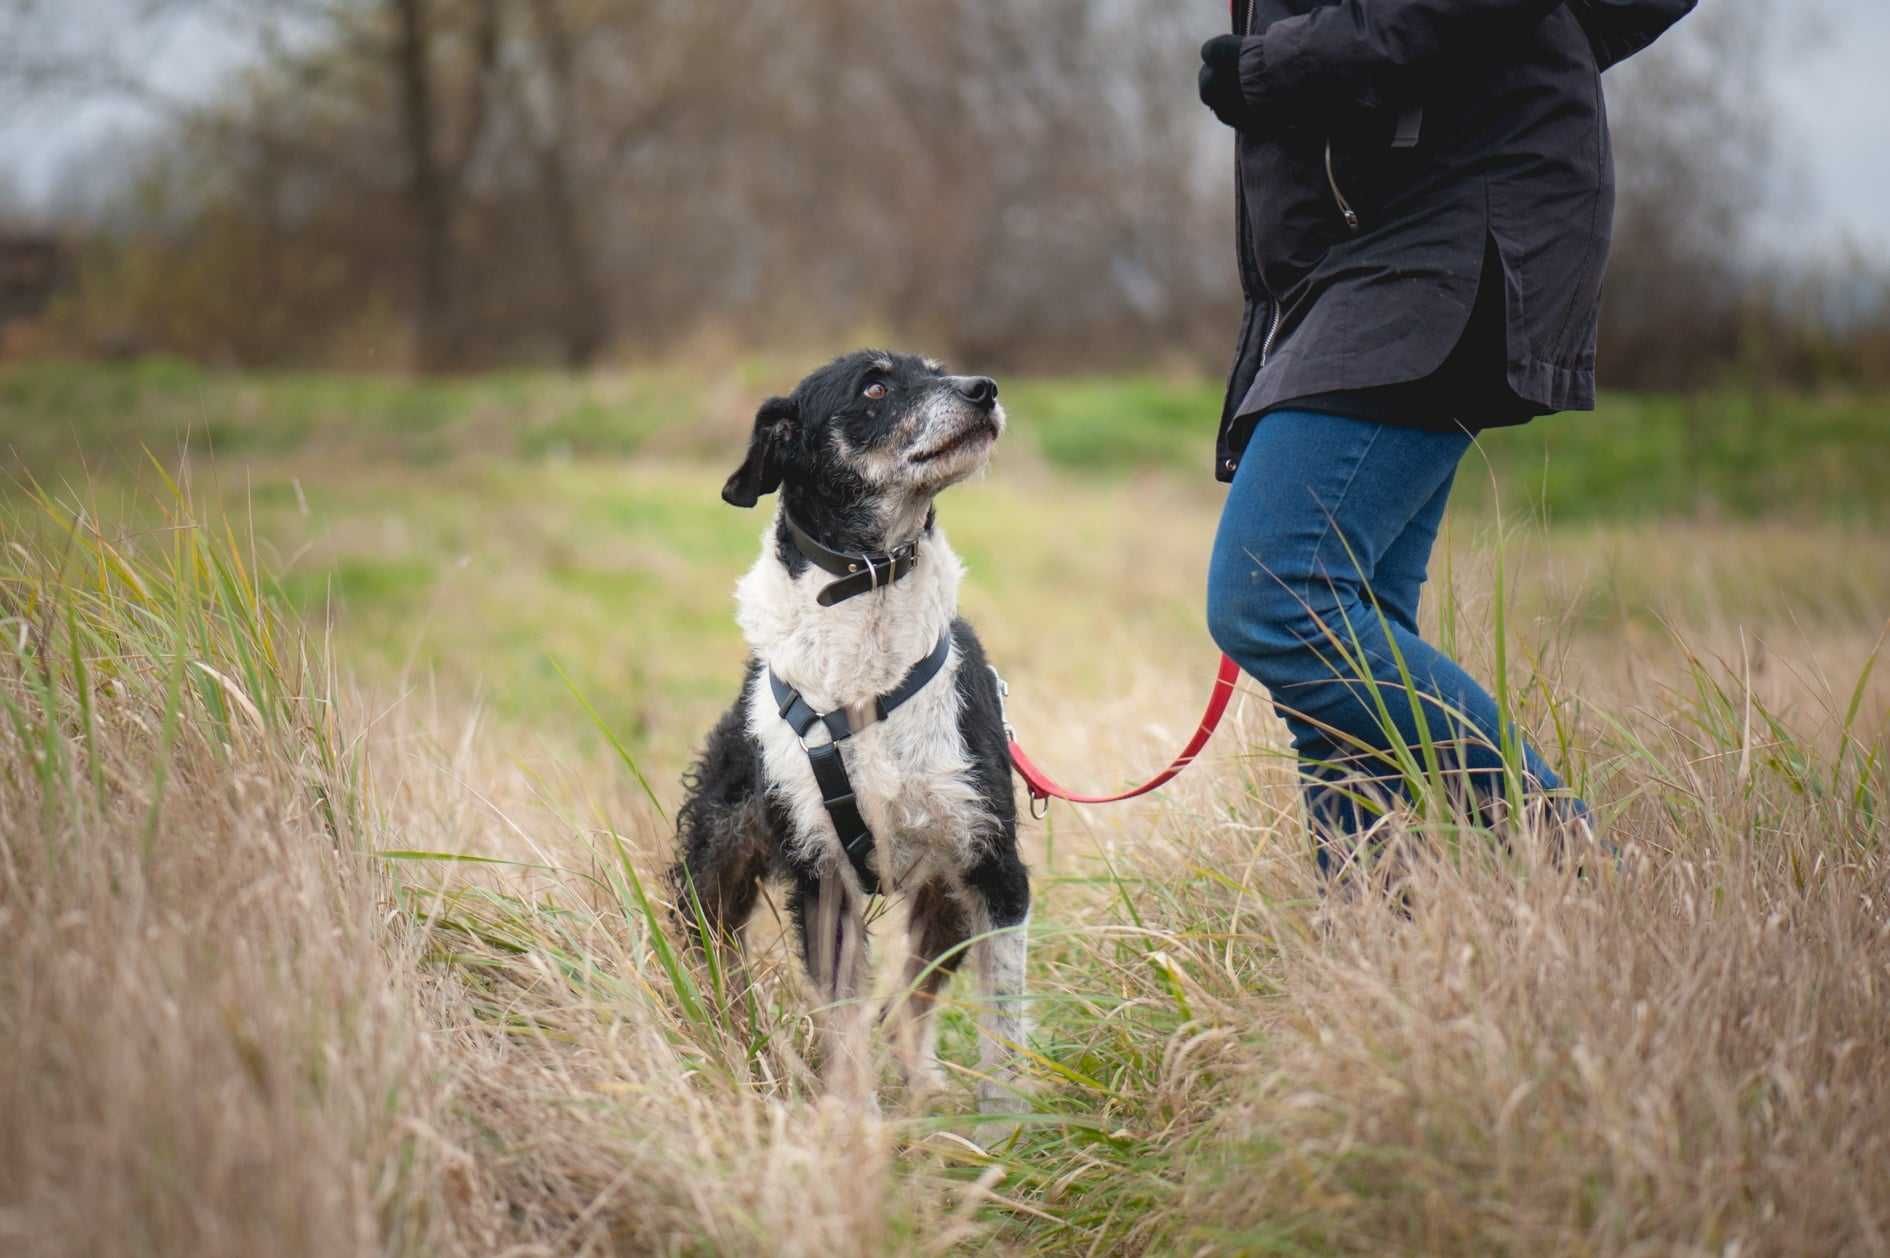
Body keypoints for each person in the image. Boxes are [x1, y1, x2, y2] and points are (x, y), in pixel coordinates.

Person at [1196, 0, 1694, 868]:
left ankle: (1571, 860)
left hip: (1453, 221)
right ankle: (1370, 959)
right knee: (1348, 633)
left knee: (1277, 598)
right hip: (1367, 237)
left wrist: (1275, 69)